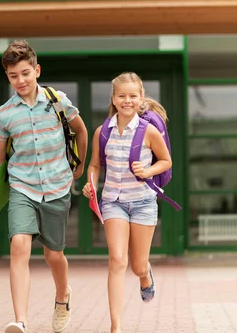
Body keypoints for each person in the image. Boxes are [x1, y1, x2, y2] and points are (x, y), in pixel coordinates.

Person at [0, 40, 88, 333]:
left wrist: (79, 165)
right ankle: (20, 320)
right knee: (19, 245)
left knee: (53, 255)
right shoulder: (5, 115)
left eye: (25, 73)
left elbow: (81, 130)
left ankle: (62, 296)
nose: (20, 80)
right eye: (13, 75)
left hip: (57, 186)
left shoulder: (58, 101)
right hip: (22, 186)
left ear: (37, 70)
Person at [82, 72, 171, 333]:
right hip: (113, 202)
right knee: (116, 260)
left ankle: (145, 274)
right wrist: (91, 182)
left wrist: (148, 171)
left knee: (137, 265)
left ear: (140, 98)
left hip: (143, 202)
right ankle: (116, 326)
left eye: (133, 96)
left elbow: (166, 161)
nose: (127, 100)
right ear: (113, 99)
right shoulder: (102, 132)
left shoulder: (149, 131)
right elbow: (96, 165)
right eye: (121, 96)